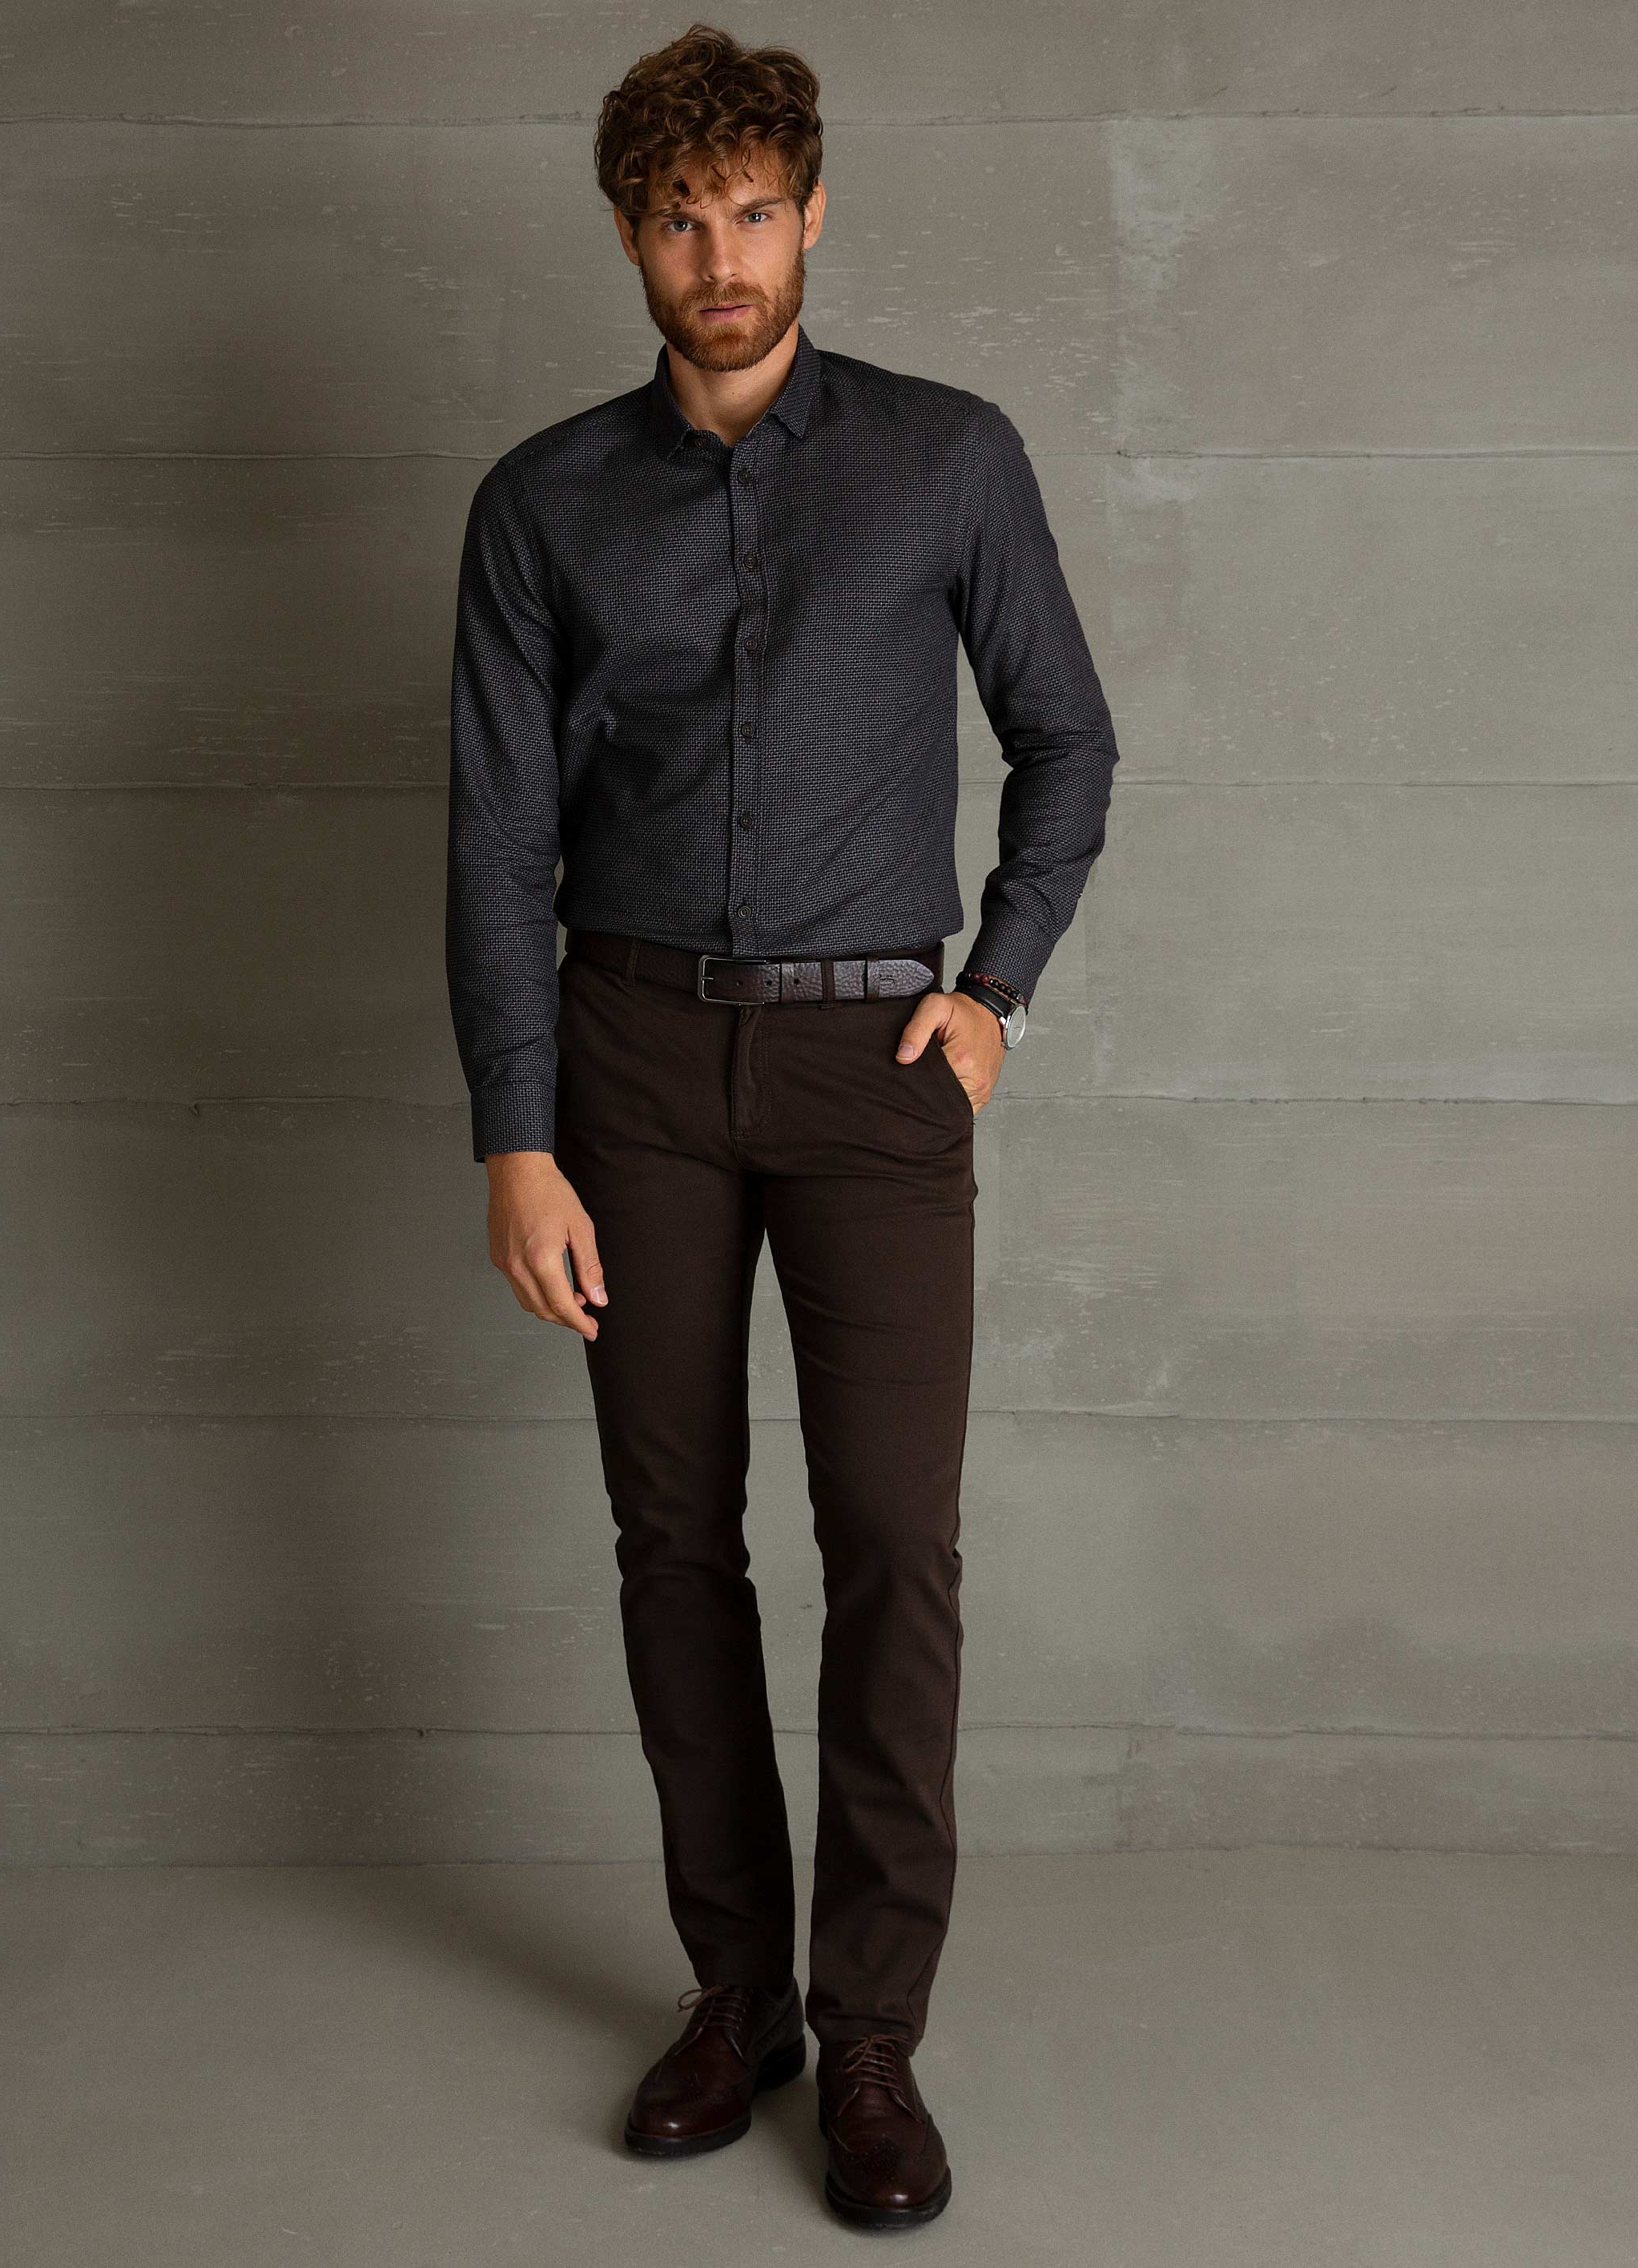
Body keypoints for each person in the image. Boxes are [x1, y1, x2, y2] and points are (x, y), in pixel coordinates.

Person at [445, 20, 1120, 2233]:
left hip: (870, 1072)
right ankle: (736, 1998)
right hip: (627, 1068)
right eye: (676, 220)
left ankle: (878, 2038)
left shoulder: (945, 461)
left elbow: (1067, 738)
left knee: (895, 1545)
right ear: (627, 235)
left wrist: (993, 991)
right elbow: (497, 841)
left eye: (750, 212)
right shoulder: (542, 504)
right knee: (673, 1542)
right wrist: (516, 1133)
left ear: (813, 213)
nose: (717, 257)